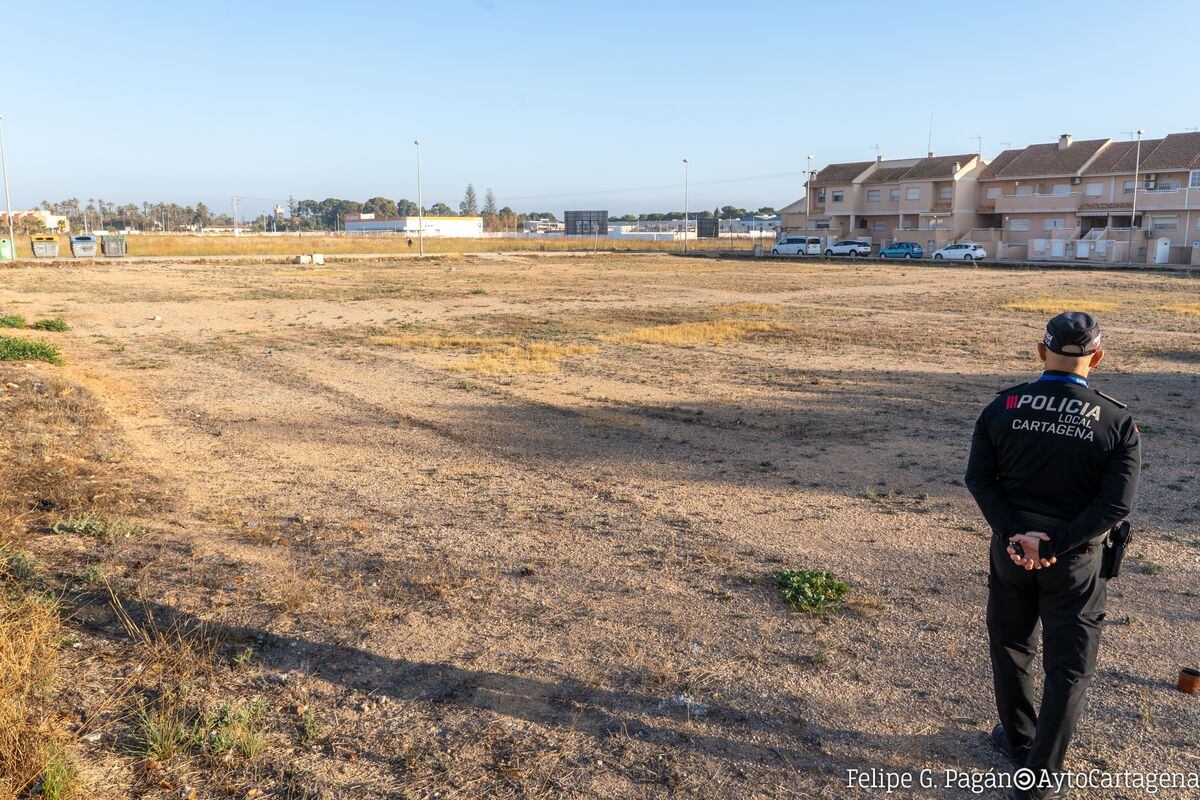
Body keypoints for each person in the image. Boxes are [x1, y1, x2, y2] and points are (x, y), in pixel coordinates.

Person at [965, 312, 1141, 800]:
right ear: (1097, 358)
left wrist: (1018, 536)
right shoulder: (1117, 421)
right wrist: (1054, 543)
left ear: (1041, 353)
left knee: (1011, 646)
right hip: (1076, 561)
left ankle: (1019, 742)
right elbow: (1114, 505)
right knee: (1068, 666)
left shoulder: (1003, 406)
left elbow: (980, 479)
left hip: (1011, 553)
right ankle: (1040, 776)